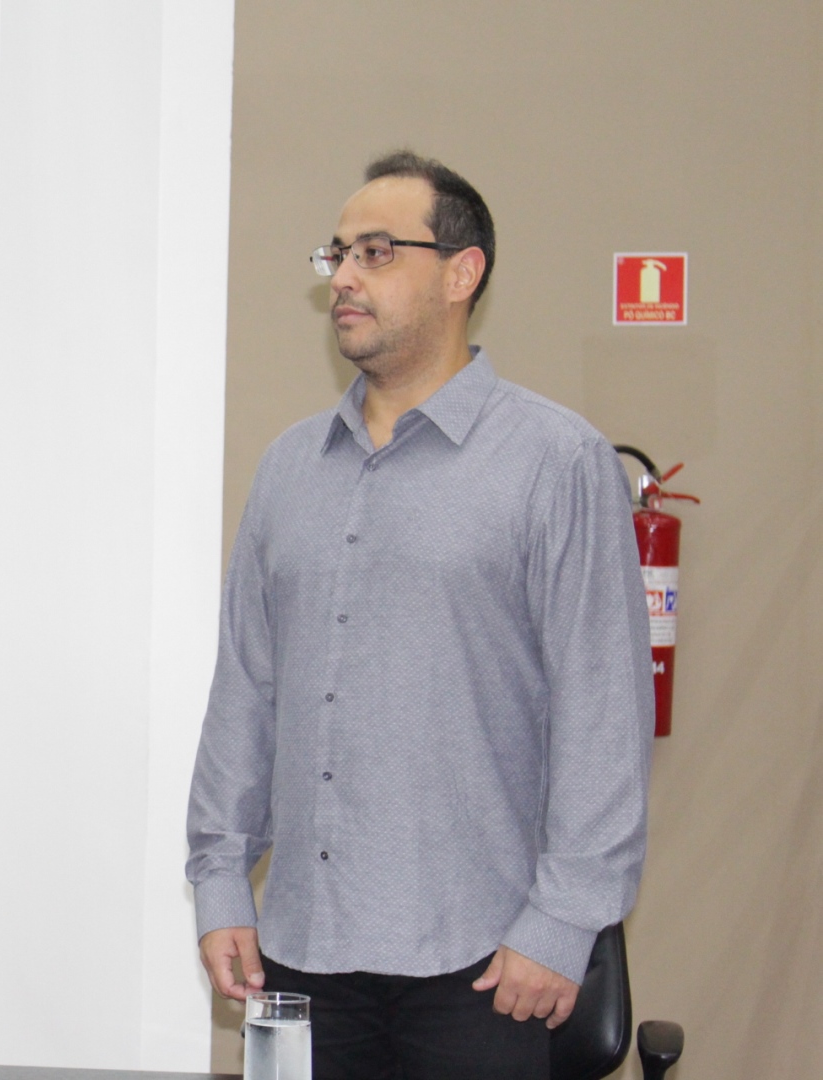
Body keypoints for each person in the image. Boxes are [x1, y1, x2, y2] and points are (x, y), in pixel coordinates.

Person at [186, 152, 653, 1079]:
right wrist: (220, 879)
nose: (343, 277)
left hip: (485, 966)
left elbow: (603, 711)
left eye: (375, 252)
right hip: (301, 957)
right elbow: (246, 688)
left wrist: (562, 924)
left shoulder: (556, 462)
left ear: (461, 272)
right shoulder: (288, 469)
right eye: (337, 254)